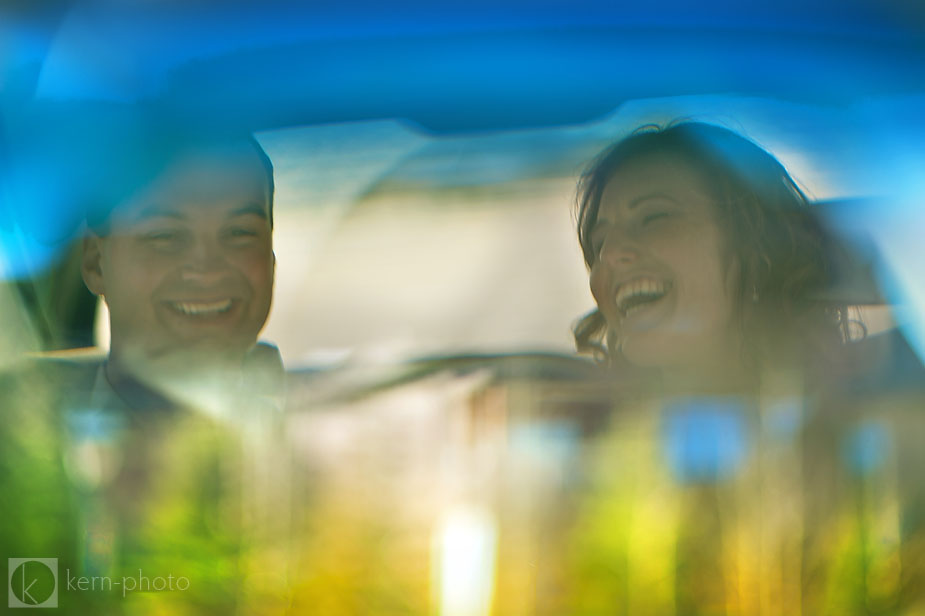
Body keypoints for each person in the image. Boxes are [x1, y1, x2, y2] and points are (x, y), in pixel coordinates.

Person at [572, 121, 850, 391]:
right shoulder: (592, 427)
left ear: (756, 252)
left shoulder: (850, 416)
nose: (608, 254)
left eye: (655, 218)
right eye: (599, 243)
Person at [78, 129, 280, 412]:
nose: (207, 269)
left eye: (240, 233)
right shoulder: (32, 443)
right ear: (95, 264)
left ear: (271, 259)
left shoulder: (328, 430)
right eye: (165, 237)